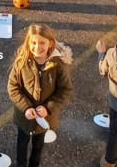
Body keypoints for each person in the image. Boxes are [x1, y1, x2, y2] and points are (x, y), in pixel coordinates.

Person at [8, 24, 73, 167]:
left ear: (50, 43)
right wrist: (26, 107)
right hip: (25, 116)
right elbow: (13, 86)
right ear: (28, 43)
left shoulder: (57, 65)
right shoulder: (22, 61)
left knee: (38, 147)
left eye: (42, 43)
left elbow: (65, 90)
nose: (37, 47)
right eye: (33, 42)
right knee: (21, 144)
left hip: (44, 118)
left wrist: (48, 108)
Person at [96, 25, 117, 167]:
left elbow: (103, 70)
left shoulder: (112, 54)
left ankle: (109, 161)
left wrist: (102, 53)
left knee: (115, 133)